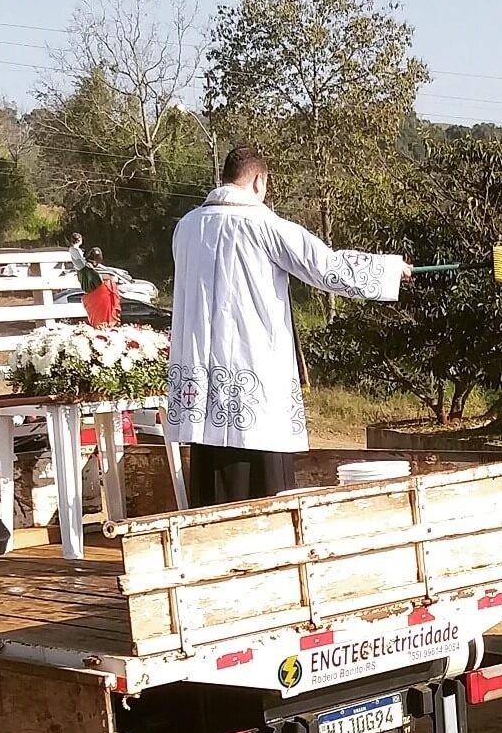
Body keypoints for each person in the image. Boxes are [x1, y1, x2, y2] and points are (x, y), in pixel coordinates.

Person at [169, 145, 411, 505]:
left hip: (202, 378)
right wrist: (391, 270)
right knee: (263, 483)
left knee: (211, 472)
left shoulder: (186, 227)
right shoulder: (264, 225)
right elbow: (326, 267)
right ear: (258, 180)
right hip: (252, 366)